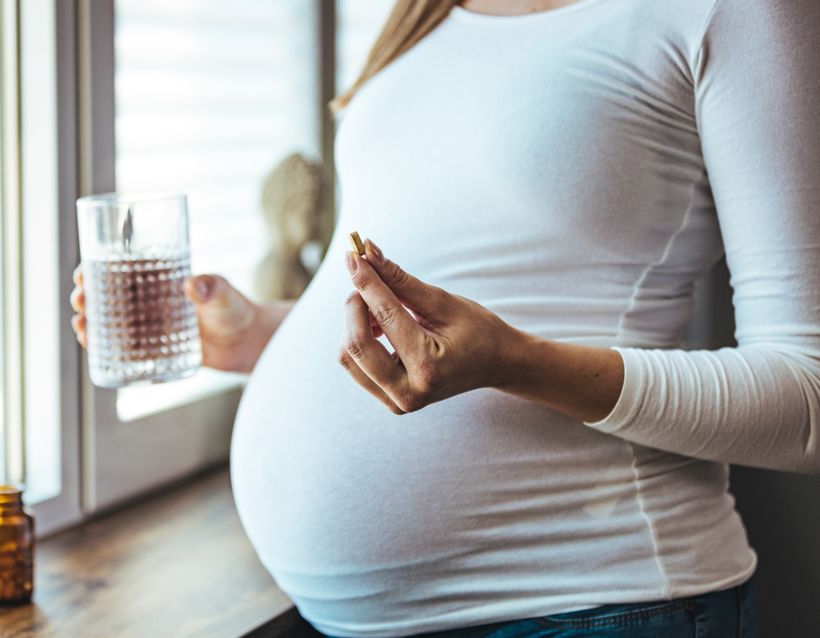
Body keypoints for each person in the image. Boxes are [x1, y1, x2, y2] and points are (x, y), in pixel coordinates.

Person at [72, 0, 820, 635]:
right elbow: (457, 283)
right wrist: (264, 335)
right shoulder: (421, 15)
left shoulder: (727, 11)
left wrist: (511, 361)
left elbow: (808, 397)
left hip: (589, 602)